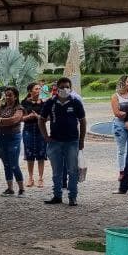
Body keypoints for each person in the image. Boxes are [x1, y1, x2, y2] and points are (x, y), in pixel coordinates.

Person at [40, 77, 87, 206]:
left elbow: (83, 121)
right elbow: (41, 120)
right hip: (54, 141)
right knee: (57, 172)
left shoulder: (75, 102)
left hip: (72, 142)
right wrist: (45, 136)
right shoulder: (50, 102)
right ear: (57, 88)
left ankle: (73, 197)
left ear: (70, 88)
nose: (65, 89)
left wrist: (81, 140)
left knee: (72, 170)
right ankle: (57, 196)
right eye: (62, 87)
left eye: (67, 87)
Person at [0, 86, 26, 196]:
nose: (7, 97)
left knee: (14, 164)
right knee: (6, 164)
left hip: (13, 138)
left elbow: (14, 120)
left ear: (15, 96)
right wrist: (3, 121)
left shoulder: (19, 108)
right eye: (6, 95)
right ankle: (10, 189)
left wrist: (0, 121)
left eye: (10, 95)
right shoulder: (1, 107)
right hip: (1, 137)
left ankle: (21, 189)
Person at [21, 82, 47, 187]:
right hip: (28, 130)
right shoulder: (24, 103)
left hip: (41, 130)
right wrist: (28, 117)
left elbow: (47, 118)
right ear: (30, 91)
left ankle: (40, 178)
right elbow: (20, 118)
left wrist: (37, 117)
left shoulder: (44, 103)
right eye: (36, 89)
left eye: (39, 89)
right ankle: (30, 178)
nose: (38, 91)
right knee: (29, 154)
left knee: (41, 155)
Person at [110, 76, 128, 183]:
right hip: (120, 126)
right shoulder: (115, 96)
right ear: (122, 83)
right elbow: (117, 113)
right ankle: (122, 172)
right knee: (121, 150)